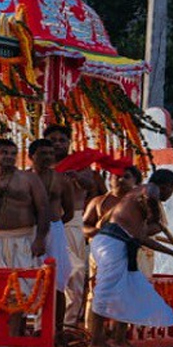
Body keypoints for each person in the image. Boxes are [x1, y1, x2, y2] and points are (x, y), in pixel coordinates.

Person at [89, 169, 173, 347]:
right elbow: (151, 195)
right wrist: (153, 211)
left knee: (127, 290)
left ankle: (119, 339)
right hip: (111, 243)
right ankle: (95, 341)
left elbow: (142, 238)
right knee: (105, 290)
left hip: (123, 245)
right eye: (172, 191)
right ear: (167, 187)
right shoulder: (149, 189)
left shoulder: (139, 202)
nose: (169, 196)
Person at [0, 138, 49, 335]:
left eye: (13, 153)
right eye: (4, 153)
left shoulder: (29, 179)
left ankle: (11, 336)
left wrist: (40, 238)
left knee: (18, 290)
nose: (10, 157)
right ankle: (4, 334)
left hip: (20, 238)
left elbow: (43, 209)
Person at [44, 123, 106, 328]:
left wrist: (77, 177)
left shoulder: (80, 166)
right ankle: (42, 325)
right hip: (46, 222)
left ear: (69, 143)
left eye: (62, 140)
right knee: (44, 273)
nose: (58, 144)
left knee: (76, 272)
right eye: (53, 140)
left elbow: (91, 186)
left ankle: (68, 324)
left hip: (73, 222)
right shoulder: (40, 168)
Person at [83, 165, 142, 324]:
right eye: (116, 176)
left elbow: (157, 226)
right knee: (98, 292)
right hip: (102, 254)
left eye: (126, 177)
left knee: (127, 293)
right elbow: (85, 226)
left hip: (131, 253)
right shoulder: (98, 202)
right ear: (109, 179)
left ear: (136, 181)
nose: (120, 180)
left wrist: (132, 234)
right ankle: (93, 333)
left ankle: (121, 335)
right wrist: (100, 233)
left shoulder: (141, 202)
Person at [28, 138, 73, 339]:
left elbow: (69, 212)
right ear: (31, 156)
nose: (47, 157)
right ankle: (22, 329)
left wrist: (52, 226)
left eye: (50, 154)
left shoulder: (62, 180)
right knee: (24, 279)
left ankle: (57, 330)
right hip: (27, 230)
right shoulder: (22, 178)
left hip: (55, 231)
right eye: (42, 153)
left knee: (58, 280)